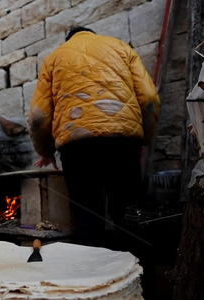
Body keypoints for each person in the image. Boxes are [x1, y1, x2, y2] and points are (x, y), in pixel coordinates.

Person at [28, 27, 161, 251]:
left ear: (68, 39)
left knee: (87, 220)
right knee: (130, 217)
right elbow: (149, 98)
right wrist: (143, 137)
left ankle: (96, 283)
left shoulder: (54, 58)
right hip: (122, 143)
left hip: (77, 148)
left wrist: (46, 151)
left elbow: (38, 117)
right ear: (93, 34)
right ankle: (142, 281)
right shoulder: (121, 48)